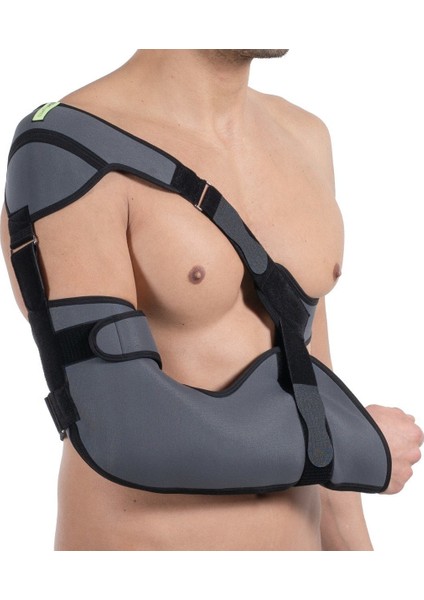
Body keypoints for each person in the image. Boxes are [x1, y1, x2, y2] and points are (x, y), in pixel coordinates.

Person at [1, 50, 422, 551]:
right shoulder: (66, 148)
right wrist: (356, 446)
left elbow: (314, 385)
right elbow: (120, 423)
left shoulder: (305, 136)